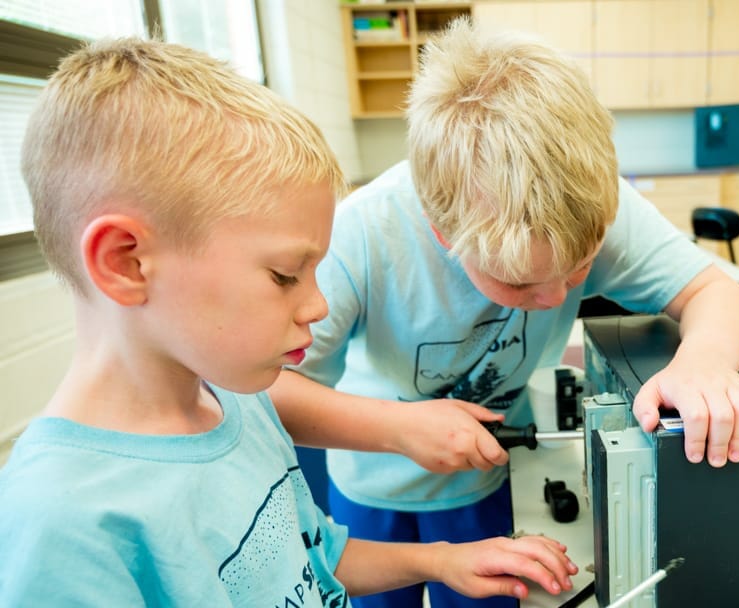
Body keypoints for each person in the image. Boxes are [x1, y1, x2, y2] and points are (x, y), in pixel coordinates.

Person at [0, 37, 578, 605]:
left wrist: (443, 562)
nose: (318, 306)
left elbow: (311, 557)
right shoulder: (62, 528)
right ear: (125, 262)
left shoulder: (244, 405)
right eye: (284, 275)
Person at [268, 19, 739, 608]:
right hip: (369, 485)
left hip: (485, 479)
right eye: (518, 282)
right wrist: (395, 428)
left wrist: (704, 364)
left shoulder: (586, 197)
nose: (555, 299)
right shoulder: (361, 235)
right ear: (443, 233)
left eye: (581, 267)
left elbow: (717, 292)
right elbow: (267, 390)